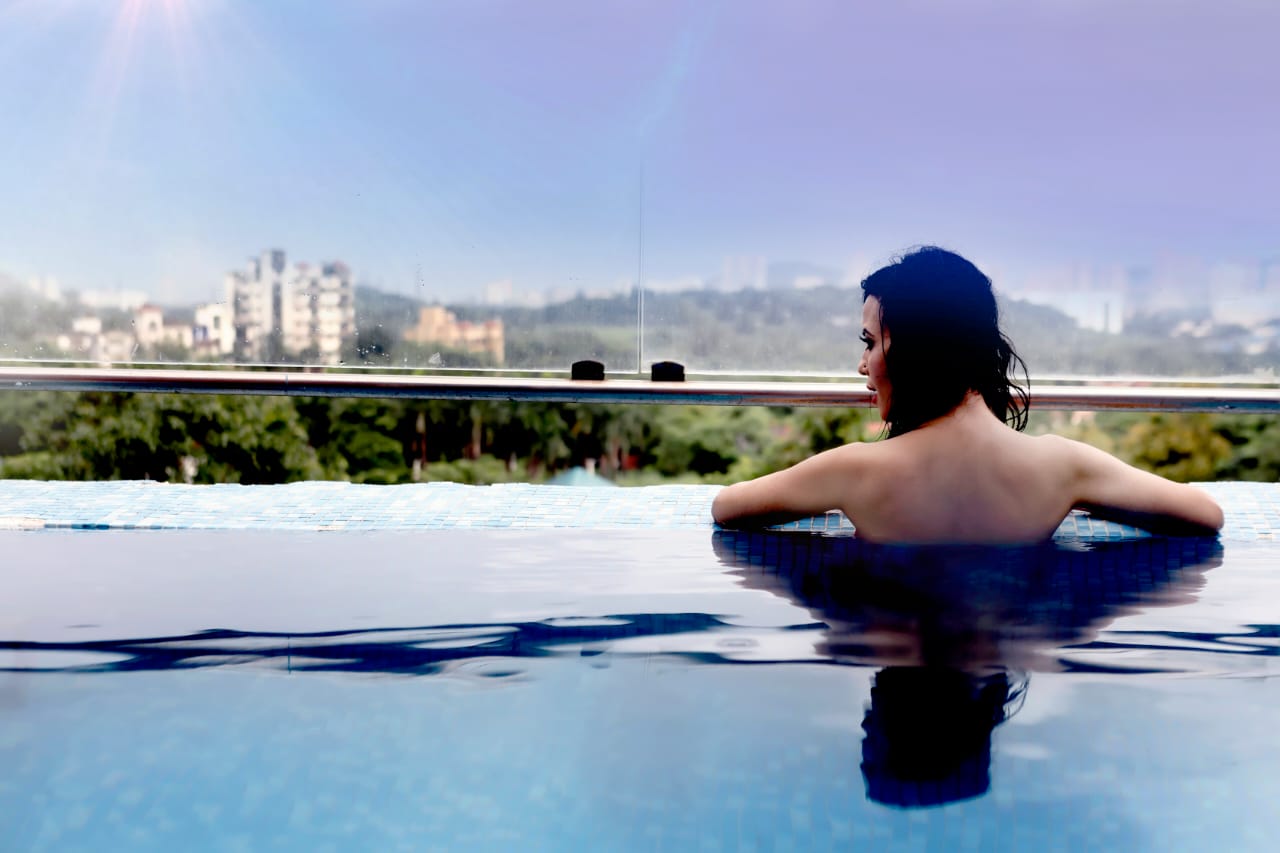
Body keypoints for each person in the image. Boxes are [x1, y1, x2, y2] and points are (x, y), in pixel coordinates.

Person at [711, 246, 1224, 542]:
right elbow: (1205, 516)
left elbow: (727, 508)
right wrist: (1091, 501)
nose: (862, 365)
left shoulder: (853, 471)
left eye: (869, 343)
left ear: (916, 350)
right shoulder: (1062, 467)